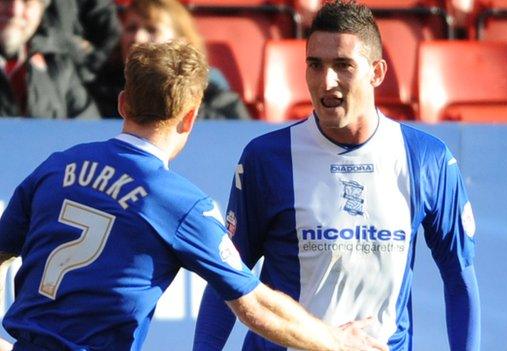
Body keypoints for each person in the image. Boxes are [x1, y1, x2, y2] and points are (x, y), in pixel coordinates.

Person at [0, 40, 387, 350]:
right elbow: (254, 305)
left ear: (122, 103)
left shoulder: (56, 167)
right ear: (189, 118)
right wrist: (337, 343)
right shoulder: (180, 204)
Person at [193, 1, 481, 350]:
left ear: (377, 72)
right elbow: (227, 279)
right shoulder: (266, 159)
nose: (326, 81)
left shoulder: (426, 159)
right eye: (315, 65)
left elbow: (459, 278)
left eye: (342, 65)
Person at [92, 0, 250, 120]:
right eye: (131, 28)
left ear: (181, 42)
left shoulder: (215, 100)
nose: (137, 38)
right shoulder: (97, 92)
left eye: (151, 29)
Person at [0, 0, 100, 119]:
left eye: (27, 2)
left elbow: (89, 130)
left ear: (41, 11)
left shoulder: (57, 65)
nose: (15, 11)